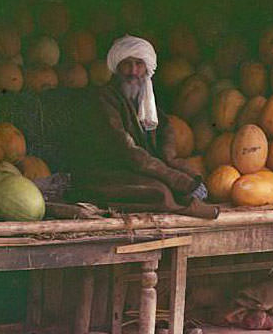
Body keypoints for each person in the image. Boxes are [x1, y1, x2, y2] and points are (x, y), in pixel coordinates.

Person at [69, 35, 217, 218]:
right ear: (117, 68)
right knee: (160, 192)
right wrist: (176, 179)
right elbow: (127, 151)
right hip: (107, 172)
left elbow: (165, 130)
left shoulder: (146, 100)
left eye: (139, 64)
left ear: (147, 68)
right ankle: (190, 208)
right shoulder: (104, 99)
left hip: (141, 168)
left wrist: (176, 168)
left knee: (192, 177)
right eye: (127, 64)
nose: (133, 71)